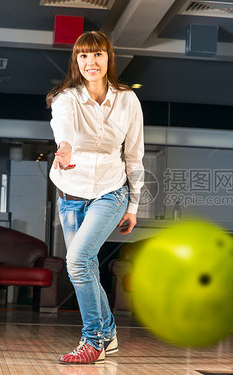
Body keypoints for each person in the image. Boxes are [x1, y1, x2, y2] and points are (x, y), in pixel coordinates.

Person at [46, 31, 144, 364]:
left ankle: (93, 340)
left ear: (108, 58)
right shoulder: (66, 97)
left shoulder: (127, 99)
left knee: (76, 262)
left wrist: (133, 205)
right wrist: (65, 147)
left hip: (110, 192)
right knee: (83, 266)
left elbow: (134, 155)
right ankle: (109, 334)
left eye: (98, 54)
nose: (91, 62)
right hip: (70, 194)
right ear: (76, 61)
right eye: (84, 55)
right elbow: (65, 127)